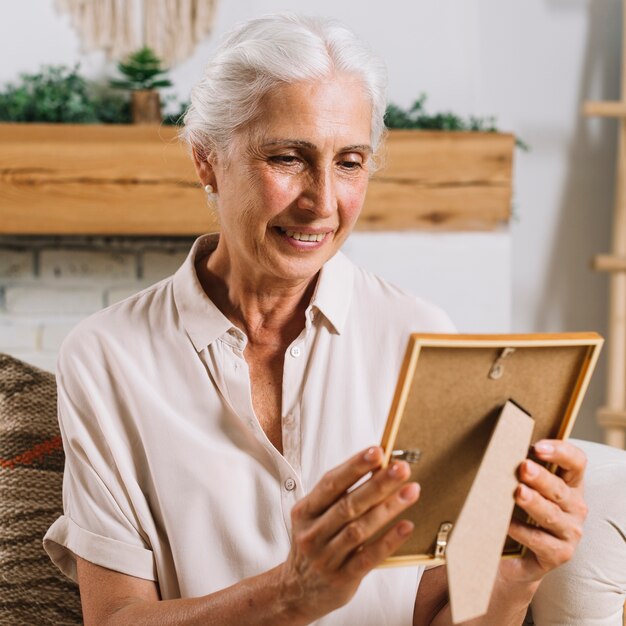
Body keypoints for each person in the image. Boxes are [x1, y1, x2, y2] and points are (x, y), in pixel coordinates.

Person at [44, 13, 588, 626]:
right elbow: (115, 617)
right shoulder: (105, 354)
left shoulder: (423, 334)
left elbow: (442, 612)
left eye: (350, 162)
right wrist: (291, 594)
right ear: (205, 160)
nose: (322, 202)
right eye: (287, 157)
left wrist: (510, 581)